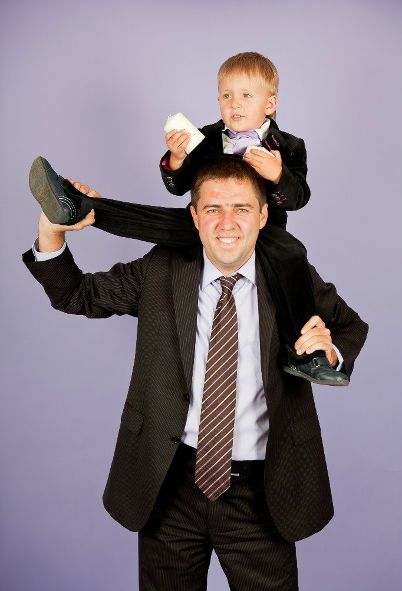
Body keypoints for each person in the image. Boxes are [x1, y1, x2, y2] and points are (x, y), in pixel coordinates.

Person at [23, 157, 368, 591]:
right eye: (213, 209)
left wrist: (330, 351)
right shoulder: (162, 268)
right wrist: (51, 231)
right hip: (169, 486)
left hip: (262, 494)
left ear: (263, 216)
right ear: (194, 217)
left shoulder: (290, 274)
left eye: (241, 209)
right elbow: (76, 294)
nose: (227, 223)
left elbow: (349, 327)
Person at [28, 51, 347, 386]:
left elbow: (299, 197)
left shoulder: (290, 147)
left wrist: (278, 175)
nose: (235, 104)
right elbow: (178, 187)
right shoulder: (204, 138)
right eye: (226, 96)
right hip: (199, 227)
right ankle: (76, 205)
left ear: (270, 103)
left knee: (293, 250)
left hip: (263, 235)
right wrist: (177, 158)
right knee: (152, 219)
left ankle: (303, 356)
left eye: (246, 95)